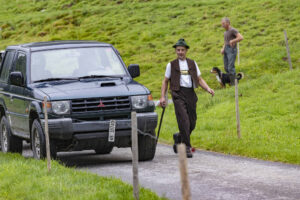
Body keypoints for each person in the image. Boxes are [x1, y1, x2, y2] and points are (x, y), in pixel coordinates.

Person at [160, 38, 214, 158]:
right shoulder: (171, 65)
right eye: (178, 50)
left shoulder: (192, 63)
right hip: (177, 94)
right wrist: (162, 97)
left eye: (182, 50)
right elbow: (165, 81)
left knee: (192, 122)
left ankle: (179, 137)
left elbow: (199, 79)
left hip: (190, 94)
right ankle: (187, 147)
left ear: (186, 51)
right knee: (184, 120)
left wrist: (208, 89)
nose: (180, 52)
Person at [220, 17, 244, 85]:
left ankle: (234, 84)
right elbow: (225, 41)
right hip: (226, 50)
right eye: (222, 24)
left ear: (228, 23)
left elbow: (241, 37)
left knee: (230, 67)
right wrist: (223, 49)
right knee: (226, 67)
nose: (222, 25)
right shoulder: (225, 32)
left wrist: (233, 40)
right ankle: (232, 81)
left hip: (232, 49)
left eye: (224, 23)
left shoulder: (233, 30)